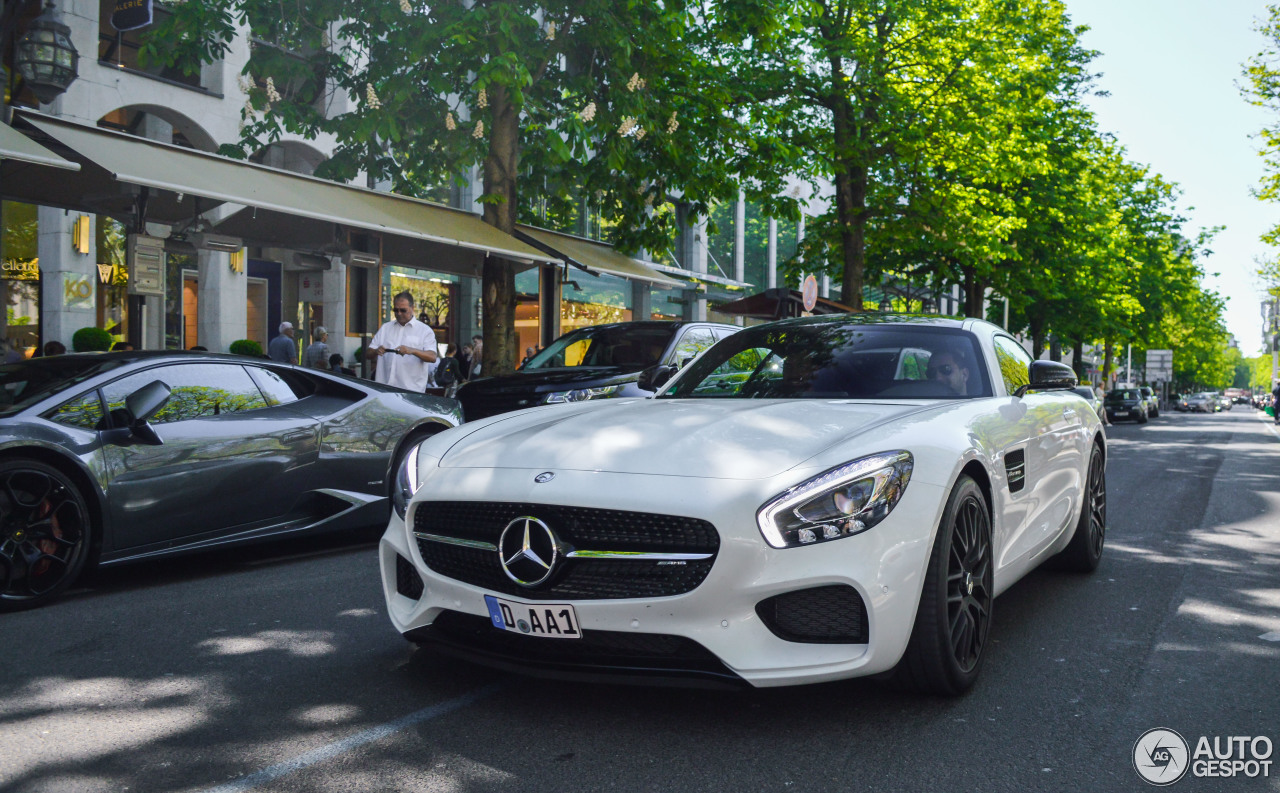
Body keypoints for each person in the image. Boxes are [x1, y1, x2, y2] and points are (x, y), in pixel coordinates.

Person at [364, 291, 438, 391]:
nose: (398, 313)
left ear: (412, 308)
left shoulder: (425, 331)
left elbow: (432, 357)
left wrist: (412, 350)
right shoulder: (386, 328)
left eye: (403, 310)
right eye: (395, 310)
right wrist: (376, 351)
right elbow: (368, 354)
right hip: (384, 389)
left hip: (411, 392)